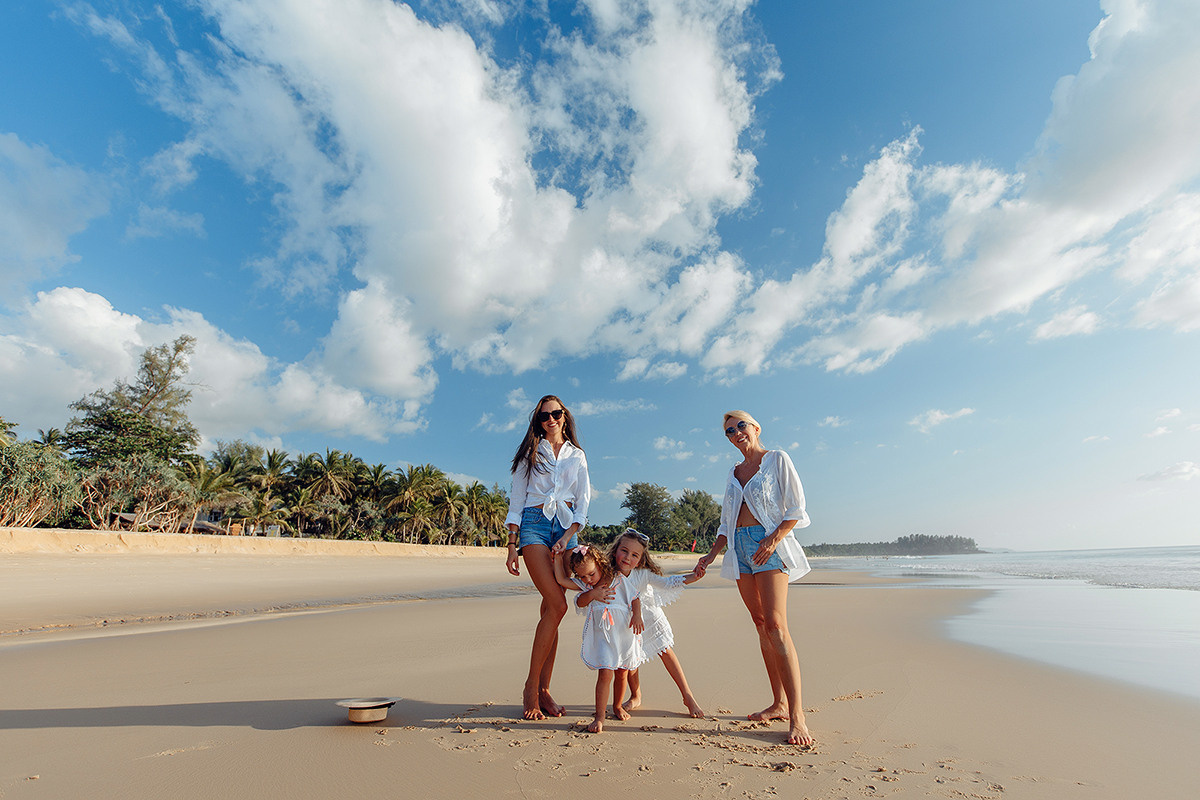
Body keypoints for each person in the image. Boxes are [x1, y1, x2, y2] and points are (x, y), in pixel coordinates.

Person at [695, 410, 814, 746]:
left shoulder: (776, 459)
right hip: (739, 549)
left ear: (756, 428)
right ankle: (778, 703)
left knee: (777, 625)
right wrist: (710, 555)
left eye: (740, 426)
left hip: (769, 545)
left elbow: (796, 508)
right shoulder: (733, 473)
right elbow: (725, 522)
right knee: (760, 623)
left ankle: (797, 715)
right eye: (729, 431)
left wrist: (773, 539)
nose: (736, 433)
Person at [504, 394, 591, 721]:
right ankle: (531, 687)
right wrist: (512, 544)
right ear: (538, 421)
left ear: (565, 417)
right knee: (557, 604)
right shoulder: (531, 453)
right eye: (544, 416)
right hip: (534, 526)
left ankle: (544, 690)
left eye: (556, 414)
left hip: (566, 529)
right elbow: (516, 499)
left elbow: (583, 501)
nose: (550, 420)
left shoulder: (577, 456)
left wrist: (568, 538)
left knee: (549, 611)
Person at [608, 528, 706, 719]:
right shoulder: (609, 573)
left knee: (666, 652)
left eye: (635, 554)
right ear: (615, 550)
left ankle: (688, 696)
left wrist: (694, 577)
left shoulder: (643, 574)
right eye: (624, 551)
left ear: (641, 558)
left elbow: (668, 582)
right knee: (631, 662)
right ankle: (636, 695)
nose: (628, 557)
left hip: (650, 619)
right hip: (627, 624)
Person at [553, 544, 643, 733]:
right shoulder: (586, 587)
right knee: (605, 674)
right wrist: (558, 558)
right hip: (603, 639)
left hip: (623, 635)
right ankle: (600, 716)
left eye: (591, 574)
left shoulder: (618, 579)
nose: (588, 579)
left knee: (622, 673)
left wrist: (637, 616)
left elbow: (635, 598)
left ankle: (617, 706)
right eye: (583, 576)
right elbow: (563, 582)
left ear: (600, 564)